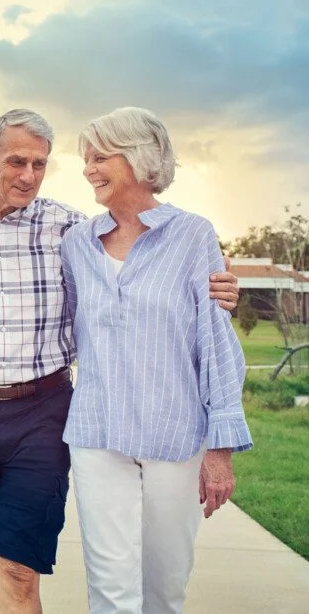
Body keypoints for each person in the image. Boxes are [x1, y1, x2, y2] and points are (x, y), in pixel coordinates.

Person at [0, 109, 239, 614]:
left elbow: (194, 320)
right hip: (22, 420)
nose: (30, 176)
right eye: (18, 161)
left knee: (50, 570)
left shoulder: (90, 231)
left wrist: (223, 290)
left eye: (42, 164)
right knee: (14, 567)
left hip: (93, 419)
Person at [60, 107, 252, 614]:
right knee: (110, 586)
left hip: (174, 432)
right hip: (97, 432)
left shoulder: (192, 236)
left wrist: (221, 448)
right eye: (85, 158)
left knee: (165, 586)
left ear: (140, 158)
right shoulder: (76, 242)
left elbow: (215, 340)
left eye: (100, 156)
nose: (88, 169)